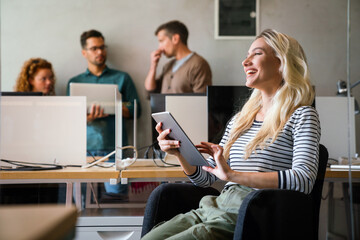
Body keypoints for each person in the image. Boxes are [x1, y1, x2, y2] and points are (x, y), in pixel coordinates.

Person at [142, 29, 321, 239]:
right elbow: (205, 178)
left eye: (257, 54)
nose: (245, 62)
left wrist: (232, 175)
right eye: (247, 55)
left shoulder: (302, 115)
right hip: (214, 206)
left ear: (282, 63)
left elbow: (304, 179)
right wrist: (179, 152)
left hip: (253, 212)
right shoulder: (240, 120)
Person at [66, 29, 141, 197]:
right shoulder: (75, 82)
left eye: (102, 47)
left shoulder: (122, 78)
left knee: (116, 199)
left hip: (116, 149)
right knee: (82, 200)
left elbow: (136, 110)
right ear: (84, 52)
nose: (100, 52)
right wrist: (87, 117)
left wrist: (113, 107)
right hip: (84, 149)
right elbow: (68, 120)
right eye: (94, 48)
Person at [144, 20, 212, 94]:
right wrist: (153, 66)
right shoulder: (168, 66)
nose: (159, 47)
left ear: (175, 39)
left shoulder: (199, 64)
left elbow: (202, 101)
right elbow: (150, 92)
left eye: (161, 41)